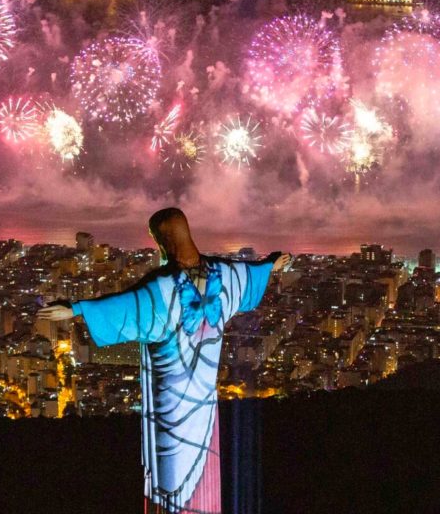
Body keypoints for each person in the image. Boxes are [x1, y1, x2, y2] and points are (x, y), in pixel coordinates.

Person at [38, 208, 290, 513]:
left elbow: (123, 307)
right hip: (205, 408)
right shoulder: (224, 277)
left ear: (162, 242)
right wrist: (271, 266)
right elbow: (251, 274)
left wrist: (76, 308)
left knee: (170, 483)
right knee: (205, 474)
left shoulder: (162, 288)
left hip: (169, 409)